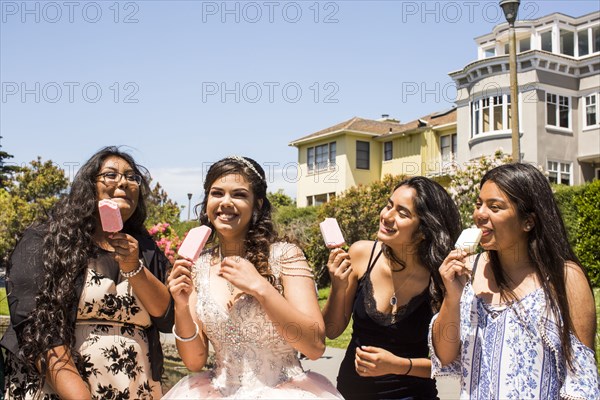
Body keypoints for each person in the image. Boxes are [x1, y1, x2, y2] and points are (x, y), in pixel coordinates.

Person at [1, 147, 173, 399]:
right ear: (89, 187)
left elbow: (166, 318)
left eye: (132, 177)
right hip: (59, 387)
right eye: (111, 175)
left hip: (136, 387)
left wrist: (133, 267)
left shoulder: (145, 249)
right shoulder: (45, 240)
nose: (123, 182)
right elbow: (37, 328)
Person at [163, 156, 342, 399]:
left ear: (257, 204)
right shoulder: (197, 266)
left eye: (238, 195)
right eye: (217, 193)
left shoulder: (285, 255)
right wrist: (181, 306)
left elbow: (315, 347)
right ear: (207, 201)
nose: (226, 202)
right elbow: (194, 362)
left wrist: (261, 288)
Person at [430, 163, 599, 399]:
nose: (480, 214)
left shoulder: (565, 278)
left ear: (528, 221)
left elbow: (582, 383)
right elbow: (446, 356)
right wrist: (452, 295)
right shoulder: (467, 271)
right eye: (479, 204)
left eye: (495, 207)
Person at [322, 176, 461, 399]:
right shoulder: (360, 254)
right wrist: (338, 287)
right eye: (389, 205)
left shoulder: (441, 279)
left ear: (424, 230)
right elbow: (331, 330)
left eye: (402, 213)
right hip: (351, 392)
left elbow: (447, 362)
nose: (386, 216)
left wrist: (399, 365)